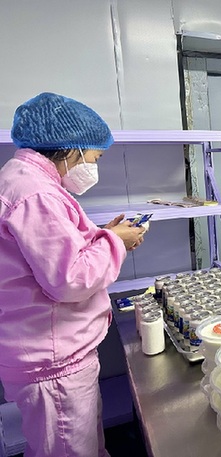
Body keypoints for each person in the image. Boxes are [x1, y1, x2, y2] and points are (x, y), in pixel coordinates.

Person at [0, 92, 145, 456]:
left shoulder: (25, 180)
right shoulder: (35, 193)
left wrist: (101, 236)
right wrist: (115, 241)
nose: (95, 165)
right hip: (52, 362)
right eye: (95, 157)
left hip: (50, 354)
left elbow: (49, 254)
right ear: (70, 149)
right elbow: (70, 279)